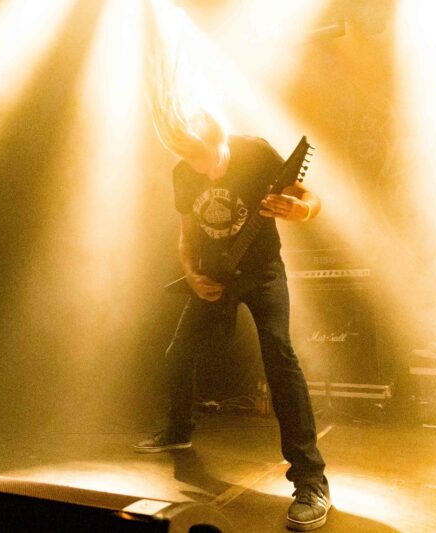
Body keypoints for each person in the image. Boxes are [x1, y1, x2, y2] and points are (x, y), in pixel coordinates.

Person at [134, 110, 330, 531]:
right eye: (194, 164)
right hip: (215, 277)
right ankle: (178, 430)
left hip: (263, 274)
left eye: (209, 160)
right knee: (177, 354)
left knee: (279, 356)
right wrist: (192, 275)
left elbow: (309, 198)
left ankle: (311, 481)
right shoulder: (183, 172)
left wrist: (301, 210)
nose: (205, 172)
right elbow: (187, 234)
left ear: (222, 138)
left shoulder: (255, 153)